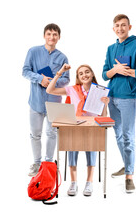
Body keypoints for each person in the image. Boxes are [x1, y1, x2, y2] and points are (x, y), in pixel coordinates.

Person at [102, 14, 136, 193]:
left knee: (128, 136)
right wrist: (114, 70)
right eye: (117, 25)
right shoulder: (110, 48)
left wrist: (127, 72)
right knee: (119, 136)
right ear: (113, 28)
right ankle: (127, 165)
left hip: (128, 98)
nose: (120, 28)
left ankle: (129, 176)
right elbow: (104, 74)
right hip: (111, 97)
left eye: (123, 25)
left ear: (130, 27)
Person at [46, 63, 109, 196]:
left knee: (92, 147)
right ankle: (73, 182)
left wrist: (105, 104)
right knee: (71, 147)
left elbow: (103, 116)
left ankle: (89, 182)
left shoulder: (100, 90)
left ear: (92, 74)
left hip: (92, 127)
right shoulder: (72, 89)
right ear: (78, 77)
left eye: (87, 72)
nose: (84, 75)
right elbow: (49, 90)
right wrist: (60, 72)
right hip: (75, 125)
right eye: (81, 74)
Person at [22, 23, 70, 177]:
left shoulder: (62, 57)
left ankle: (48, 163)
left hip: (54, 102)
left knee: (52, 134)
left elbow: (66, 79)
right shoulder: (33, 51)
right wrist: (39, 79)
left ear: (59, 37)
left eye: (55, 34)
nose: (52, 37)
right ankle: (37, 163)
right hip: (35, 102)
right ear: (44, 36)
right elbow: (25, 71)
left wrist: (52, 81)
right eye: (49, 34)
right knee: (35, 134)